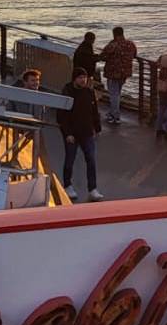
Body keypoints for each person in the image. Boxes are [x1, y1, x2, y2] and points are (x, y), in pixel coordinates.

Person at [57, 67, 103, 201]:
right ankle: (67, 185)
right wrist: (67, 133)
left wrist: (97, 128)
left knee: (91, 160)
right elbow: (62, 117)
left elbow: (94, 111)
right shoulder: (67, 93)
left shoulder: (89, 92)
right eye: (80, 77)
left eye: (85, 77)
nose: (83, 80)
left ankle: (93, 188)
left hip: (87, 132)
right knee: (70, 160)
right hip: (72, 133)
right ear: (74, 79)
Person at [100, 26, 137, 125]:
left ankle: (115, 116)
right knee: (117, 94)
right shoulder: (131, 44)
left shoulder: (113, 45)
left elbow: (102, 56)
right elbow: (134, 55)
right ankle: (113, 113)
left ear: (114, 34)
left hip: (113, 73)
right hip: (124, 73)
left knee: (114, 95)